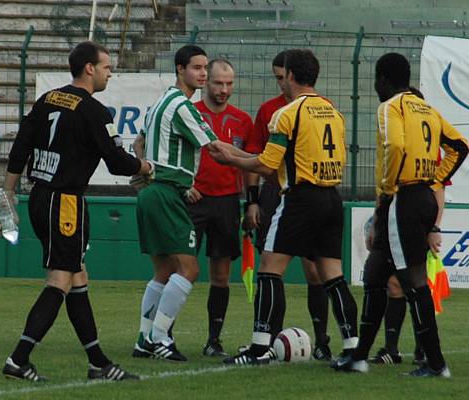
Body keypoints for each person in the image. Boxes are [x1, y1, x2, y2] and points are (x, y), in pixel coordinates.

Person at [0, 41, 153, 382]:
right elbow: (116, 162)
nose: (111, 72)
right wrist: (145, 165)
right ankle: (19, 359)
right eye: (107, 66)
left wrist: (8, 192)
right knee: (61, 279)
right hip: (65, 202)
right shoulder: (94, 111)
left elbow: (21, 145)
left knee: (77, 277)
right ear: (89, 68)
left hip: (39, 196)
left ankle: (99, 363)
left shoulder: (48, 98)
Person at [210, 48, 359, 365]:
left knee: (269, 269)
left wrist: (230, 157)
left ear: (290, 75)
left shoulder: (287, 114)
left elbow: (266, 165)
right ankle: (353, 349)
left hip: (300, 198)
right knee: (333, 276)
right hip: (332, 198)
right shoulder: (334, 112)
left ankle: (260, 347)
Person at [331, 52, 469, 377]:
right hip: (423, 197)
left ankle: (436, 364)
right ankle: (359, 356)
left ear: (382, 79)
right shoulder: (428, 110)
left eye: (377, 80)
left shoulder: (390, 107)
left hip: (403, 198)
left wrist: (388, 191)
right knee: (375, 273)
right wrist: (434, 178)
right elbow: (459, 145)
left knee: (414, 281)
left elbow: (395, 146)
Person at [130, 45, 227, 361]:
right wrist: (258, 161)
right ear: (180, 70)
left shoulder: (158, 103)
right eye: (197, 68)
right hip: (165, 194)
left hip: (154, 191)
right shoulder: (183, 106)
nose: (202, 73)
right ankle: (160, 338)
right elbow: (215, 148)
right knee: (189, 269)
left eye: (204, 67)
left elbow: (139, 142)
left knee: (163, 271)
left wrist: (152, 173)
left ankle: (144, 339)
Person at [245, 49, 333, 361]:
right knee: (271, 269)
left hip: (302, 193)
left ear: (293, 76)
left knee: (314, 272)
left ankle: (322, 339)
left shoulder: (318, 109)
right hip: (274, 194)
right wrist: (252, 202)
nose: (280, 84)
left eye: (283, 78)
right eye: (276, 79)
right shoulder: (269, 109)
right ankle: (266, 339)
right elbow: (256, 156)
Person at [369, 87, 451, 367]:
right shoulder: (394, 140)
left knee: (408, 283)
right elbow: (383, 188)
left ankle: (424, 350)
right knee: (393, 283)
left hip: (412, 216)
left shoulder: (420, 151)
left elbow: (437, 189)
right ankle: (394, 349)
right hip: (392, 217)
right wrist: (376, 222)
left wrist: (434, 228)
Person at [184, 58, 255, 357]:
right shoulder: (189, 114)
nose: (224, 90)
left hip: (227, 202)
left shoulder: (242, 120)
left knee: (221, 276)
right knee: (181, 271)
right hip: (193, 200)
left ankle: (214, 340)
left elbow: (251, 163)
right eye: (218, 83)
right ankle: (160, 336)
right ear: (206, 82)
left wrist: (251, 201)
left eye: (229, 84)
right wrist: (183, 185)